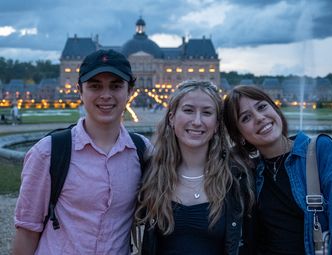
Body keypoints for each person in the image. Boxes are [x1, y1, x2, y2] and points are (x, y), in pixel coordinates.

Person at [12, 49, 151, 255]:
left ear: (130, 91)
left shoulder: (143, 151)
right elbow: (27, 230)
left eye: (116, 86)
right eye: (95, 86)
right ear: (80, 91)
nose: (106, 95)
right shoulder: (48, 152)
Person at [135, 80, 255, 255]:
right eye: (188, 110)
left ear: (216, 125)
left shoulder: (237, 177)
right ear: (171, 118)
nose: (197, 121)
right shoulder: (150, 172)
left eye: (207, 113)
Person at [223, 85, 332, 255]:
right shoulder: (250, 172)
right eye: (246, 118)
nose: (259, 118)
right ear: (240, 135)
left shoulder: (320, 151)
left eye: (262, 107)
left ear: (275, 109)